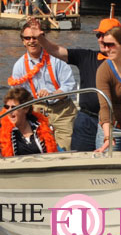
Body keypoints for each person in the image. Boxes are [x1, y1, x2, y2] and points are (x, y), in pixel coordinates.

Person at [36, 16, 120, 151]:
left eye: (104, 35)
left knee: (108, 159)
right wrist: (40, 38)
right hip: (87, 118)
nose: (100, 39)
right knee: (79, 157)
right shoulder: (86, 56)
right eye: (98, 35)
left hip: (113, 121)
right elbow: (57, 51)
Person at [9, 20, 77, 150]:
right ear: (23, 41)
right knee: (39, 146)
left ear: (42, 38)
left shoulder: (56, 59)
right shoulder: (19, 66)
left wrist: (51, 94)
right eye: (27, 38)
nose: (31, 41)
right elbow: (17, 96)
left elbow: (68, 86)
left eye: (35, 37)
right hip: (36, 110)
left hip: (62, 110)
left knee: (64, 148)